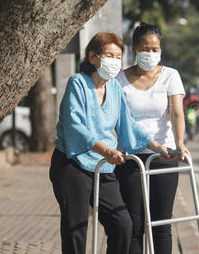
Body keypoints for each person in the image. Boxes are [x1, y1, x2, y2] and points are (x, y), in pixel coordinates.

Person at [49, 33, 170, 254]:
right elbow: (75, 125)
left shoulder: (114, 88)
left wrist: (158, 147)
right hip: (72, 163)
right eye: (108, 55)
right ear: (93, 57)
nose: (114, 61)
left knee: (122, 224)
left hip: (103, 166)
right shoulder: (78, 83)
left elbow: (128, 125)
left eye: (118, 56)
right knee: (76, 228)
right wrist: (106, 149)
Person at [115, 23, 189, 254]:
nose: (150, 54)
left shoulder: (170, 76)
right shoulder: (119, 80)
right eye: (145, 49)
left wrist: (180, 143)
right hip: (130, 158)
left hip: (163, 156)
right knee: (134, 224)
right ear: (134, 49)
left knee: (161, 224)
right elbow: (117, 119)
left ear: (161, 50)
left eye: (155, 49)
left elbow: (176, 112)